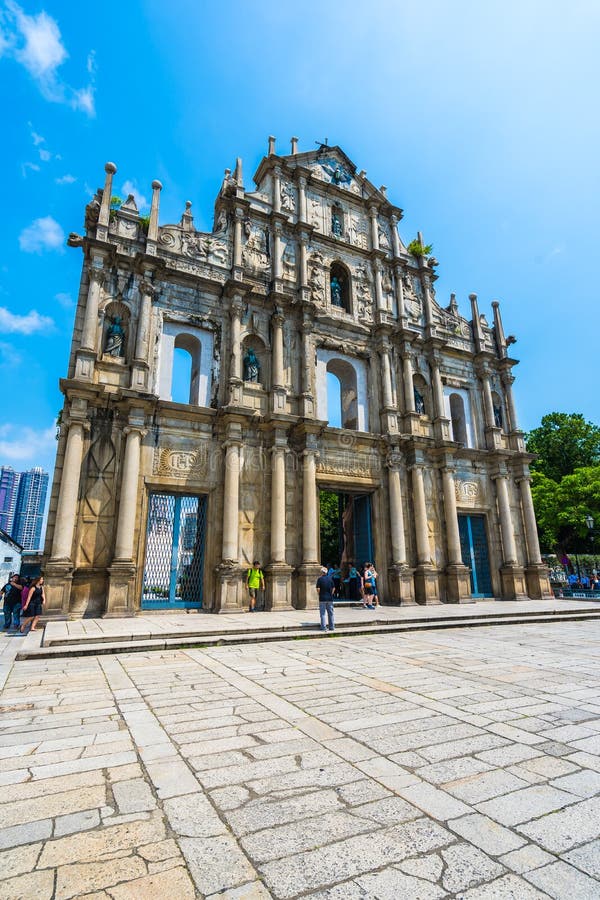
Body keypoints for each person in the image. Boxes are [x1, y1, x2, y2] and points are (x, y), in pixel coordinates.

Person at [316, 566, 335, 632]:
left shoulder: (320, 579)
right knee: (331, 613)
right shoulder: (330, 579)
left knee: (323, 613)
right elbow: (333, 588)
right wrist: (331, 594)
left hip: (322, 598)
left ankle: (324, 627)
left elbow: (318, 589)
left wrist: (319, 594)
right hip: (330, 598)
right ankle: (331, 627)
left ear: (322, 572)